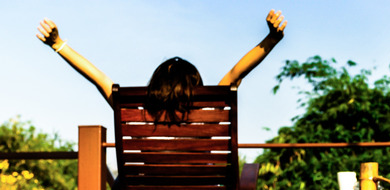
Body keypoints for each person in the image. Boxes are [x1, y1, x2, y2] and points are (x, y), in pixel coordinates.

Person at [36, 10, 287, 120]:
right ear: (197, 87)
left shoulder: (135, 115)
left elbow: (98, 78)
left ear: (154, 86)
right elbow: (236, 74)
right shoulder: (207, 114)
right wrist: (272, 39)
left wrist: (58, 44)